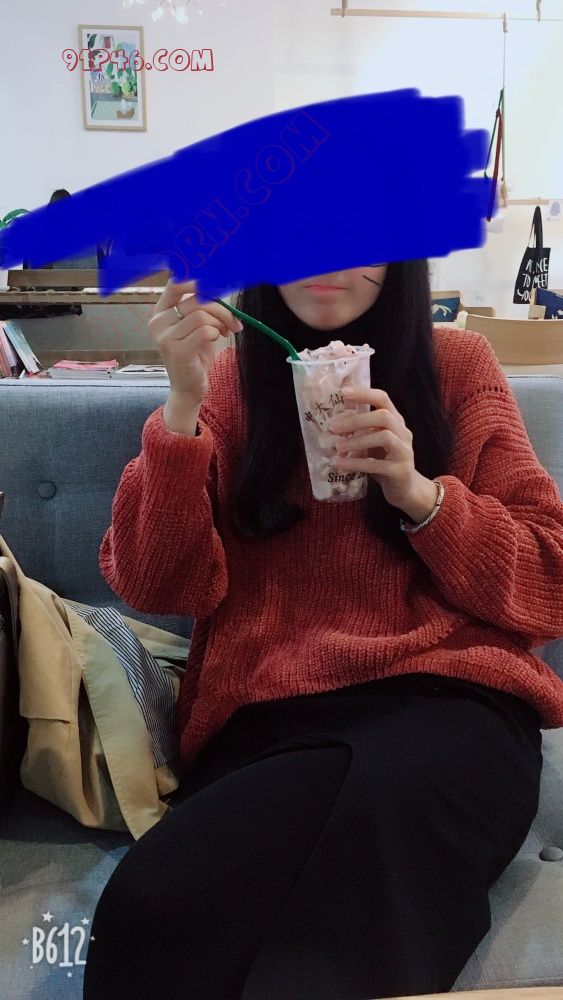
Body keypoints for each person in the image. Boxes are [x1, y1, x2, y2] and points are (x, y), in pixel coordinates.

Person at [83, 261, 563, 1000]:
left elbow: (549, 586)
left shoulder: (457, 366)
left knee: (337, 917)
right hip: (268, 719)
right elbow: (156, 586)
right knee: (150, 909)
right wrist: (182, 407)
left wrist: (420, 495)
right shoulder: (229, 383)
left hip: (449, 706)